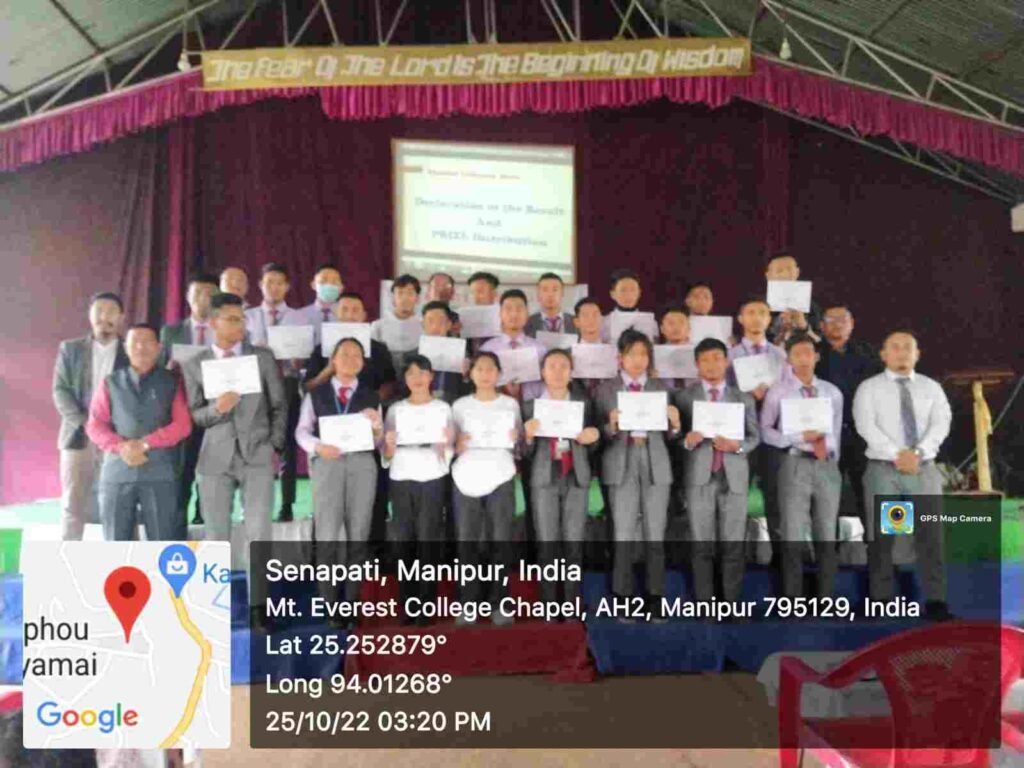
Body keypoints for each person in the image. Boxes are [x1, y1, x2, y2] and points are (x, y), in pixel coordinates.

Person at [181, 293, 286, 629]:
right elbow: (195, 414)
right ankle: (216, 608)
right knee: (216, 535)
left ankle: (259, 607)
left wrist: (274, 445)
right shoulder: (195, 363)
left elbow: (280, 404)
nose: (240, 324)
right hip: (215, 456)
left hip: (257, 454)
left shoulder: (262, 357)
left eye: (242, 318)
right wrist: (217, 409)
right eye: (232, 319)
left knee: (259, 532)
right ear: (213, 322)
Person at [853, 330, 952, 620]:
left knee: (930, 535)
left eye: (908, 347)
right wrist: (899, 454)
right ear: (884, 354)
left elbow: (941, 424)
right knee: (885, 536)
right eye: (895, 347)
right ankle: (882, 599)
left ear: (917, 354)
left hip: (924, 469)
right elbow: (865, 426)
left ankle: (936, 600)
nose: (902, 352)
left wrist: (918, 453)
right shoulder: (869, 388)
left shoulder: (931, 388)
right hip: (885, 471)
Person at [295, 337, 383, 628]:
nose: (350, 359)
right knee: (328, 535)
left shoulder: (371, 396)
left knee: (359, 535)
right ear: (333, 360)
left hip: (362, 465)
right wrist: (317, 447)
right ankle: (331, 605)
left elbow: (379, 442)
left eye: (357, 355)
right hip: (328, 463)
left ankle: (352, 603)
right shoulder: (316, 394)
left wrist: (377, 427)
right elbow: (301, 431)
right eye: (344, 354)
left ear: (363, 363)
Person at [595, 330, 682, 620]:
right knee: (623, 534)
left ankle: (655, 597)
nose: (638, 360)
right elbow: (596, 435)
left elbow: (672, 436)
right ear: (620, 357)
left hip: (655, 461)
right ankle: (623, 597)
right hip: (621, 460)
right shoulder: (605, 390)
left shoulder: (661, 387)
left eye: (644, 354)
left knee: (655, 533)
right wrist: (610, 426)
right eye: (632, 353)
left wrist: (675, 425)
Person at [86, 323, 193, 541]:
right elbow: (95, 425)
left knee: (163, 542)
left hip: (160, 472)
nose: (141, 347)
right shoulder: (110, 382)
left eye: (147, 342)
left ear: (159, 348)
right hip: (117, 471)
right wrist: (121, 446)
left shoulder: (172, 382)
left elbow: (182, 425)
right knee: (116, 543)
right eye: (135, 342)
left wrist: (145, 444)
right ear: (125, 347)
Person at [676, 338, 760, 603]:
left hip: (734, 476)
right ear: (697, 364)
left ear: (726, 362)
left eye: (716, 358)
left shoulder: (743, 398)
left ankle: (731, 604)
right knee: (701, 544)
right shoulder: (684, 397)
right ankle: (705, 604)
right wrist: (686, 441)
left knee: (733, 544)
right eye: (705, 360)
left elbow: (754, 437)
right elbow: (673, 438)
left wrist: (737, 446)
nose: (711, 365)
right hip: (699, 477)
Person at [760, 333, 843, 598]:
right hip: (794, 462)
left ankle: (826, 598)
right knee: (792, 534)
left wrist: (832, 461)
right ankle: (792, 598)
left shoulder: (832, 392)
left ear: (817, 356)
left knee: (827, 534)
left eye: (809, 353)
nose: (804, 359)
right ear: (789, 359)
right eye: (798, 354)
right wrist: (795, 437)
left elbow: (836, 432)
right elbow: (765, 430)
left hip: (826, 465)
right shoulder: (778, 391)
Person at [522, 349, 600, 610]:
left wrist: (593, 437)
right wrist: (528, 437)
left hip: (576, 475)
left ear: (571, 373)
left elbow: (595, 443)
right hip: (544, 477)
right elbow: (524, 453)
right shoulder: (530, 407)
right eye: (552, 366)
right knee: (547, 543)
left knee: (574, 542)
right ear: (542, 373)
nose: (557, 372)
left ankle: (570, 602)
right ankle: (548, 603)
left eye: (563, 366)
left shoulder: (584, 404)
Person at [381, 355, 455, 624]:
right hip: (401, 475)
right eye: (411, 373)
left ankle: (426, 606)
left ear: (431, 376)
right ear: (405, 378)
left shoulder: (443, 408)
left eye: (422, 372)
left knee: (428, 542)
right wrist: (389, 445)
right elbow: (386, 451)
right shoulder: (395, 409)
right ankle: (408, 605)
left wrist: (447, 445)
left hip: (433, 475)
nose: (417, 378)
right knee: (404, 544)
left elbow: (450, 447)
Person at [451, 352, 522, 624]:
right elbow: (449, 445)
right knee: (467, 543)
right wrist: (456, 444)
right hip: (465, 475)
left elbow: (520, 446)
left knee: (501, 542)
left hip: (501, 474)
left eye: (490, 369)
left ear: (499, 374)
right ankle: (467, 603)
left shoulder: (510, 404)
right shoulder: (459, 406)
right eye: (479, 368)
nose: (485, 374)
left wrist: (517, 439)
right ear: (470, 374)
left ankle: (499, 603)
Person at [52, 291, 129, 540]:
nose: (105, 317)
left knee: (119, 504)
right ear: (90, 315)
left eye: (111, 312)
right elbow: (60, 391)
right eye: (99, 311)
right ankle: (68, 556)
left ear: (121, 317)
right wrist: (87, 424)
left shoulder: (131, 351)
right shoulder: (71, 349)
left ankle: (119, 558)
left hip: (118, 439)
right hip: (78, 437)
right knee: (73, 504)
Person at [245, 262, 306, 522]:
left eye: (280, 282)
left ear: (287, 287)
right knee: (254, 445)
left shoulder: (299, 317)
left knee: (287, 447)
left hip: (288, 384)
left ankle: (287, 505)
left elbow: (305, 357)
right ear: (261, 285)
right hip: (255, 387)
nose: (274, 287)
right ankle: (252, 507)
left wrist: (298, 360)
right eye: (269, 282)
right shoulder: (247, 316)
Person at [730, 297, 788, 560]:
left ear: (769, 319)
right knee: (737, 496)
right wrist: (746, 394)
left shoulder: (780, 355)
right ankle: (735, 558)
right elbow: (721, 393)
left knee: (776, 497)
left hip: (773, 436)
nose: (756, 318)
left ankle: (782, 560)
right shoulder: (729, 355)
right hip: (740, 434)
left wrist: (772, 394)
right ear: (741, 319)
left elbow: (790, 393)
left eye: (762, 313)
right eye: (750, 312)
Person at [161, 272, 219, 525]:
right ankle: (177, 517)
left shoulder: (226, 330)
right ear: (188, 297)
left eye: (210, 294)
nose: (203, 299)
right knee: (182, 467)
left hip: (216, 408)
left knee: (212, 467)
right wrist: (169, 368)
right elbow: (158, 370)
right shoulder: (171, 332)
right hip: (181, 408)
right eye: (198, 293)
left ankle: (204, 515)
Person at [815, 304, 882, 522]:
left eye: (843, 319)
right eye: (831, 320)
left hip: (864, 434)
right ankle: (827, 544)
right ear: (821, 326)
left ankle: (886, 541)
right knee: (825, 499)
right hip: (825, 435)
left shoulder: (869, 353)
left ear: (852, 324)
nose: (837, 324)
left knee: (873, 494)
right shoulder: (813, 353)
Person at [303, 291, 397, 401]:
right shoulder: (321, 349)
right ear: (336, 313)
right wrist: (327, 371)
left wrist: (370, 401)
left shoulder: (379, 349)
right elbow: (307, 387)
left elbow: (391, 385)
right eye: (344, 309)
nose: (349, 315)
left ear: (364, 315)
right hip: (328, 408)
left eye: (355, 310)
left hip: (368, 408)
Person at [481, 289, 546, 402]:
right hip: (496, 405)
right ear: (500, 313)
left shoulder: (540, 349)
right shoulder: (487, 349)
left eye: (519, 309)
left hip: (533, 405)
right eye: (508, 309)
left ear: (527, 313)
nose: (514, 314)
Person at [408, 300, 470, 404]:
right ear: (423, 324)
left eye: (441, 321)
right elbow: (403, 390)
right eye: (430, 321)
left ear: (449, 324)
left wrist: (466, 377)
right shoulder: (412, 356)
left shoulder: (462, 354)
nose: (435, 326)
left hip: (453, 406)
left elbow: (470, 391)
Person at [765, 253, 822, 346]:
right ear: (768, 275)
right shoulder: (759, 306)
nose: (785, 275)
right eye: (779, 271)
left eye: (789, 270)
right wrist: (779, 326)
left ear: (797, 272)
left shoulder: (812, 305)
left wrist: (803, 325)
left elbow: (819, 341)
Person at [372, 274, 423, 373]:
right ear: (393, 298)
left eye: (410, 293)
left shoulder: (424, 326)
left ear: (417, 298)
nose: (405, 298)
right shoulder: (378, 327)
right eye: (400, 293)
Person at [299, 262, 344, 340]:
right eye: (323, 281)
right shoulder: (300, 315)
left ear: (341, 288)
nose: (329, 285)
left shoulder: (348, 316)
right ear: (313, 285)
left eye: (334, 282)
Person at [601, 268, 645, 343]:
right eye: (623, 290)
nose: (628, 295)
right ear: (612, 294)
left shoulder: (650, 322)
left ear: (639, 293)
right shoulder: (604, 322)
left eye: (633, 290)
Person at [525, 272, 576, 337]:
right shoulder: (527, 322)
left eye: (555, 290)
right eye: (545, 290)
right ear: (538, 294)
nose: (550, 294)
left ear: (562, 292)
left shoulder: (576, 322)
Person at [656, 305, 694, 391]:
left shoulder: (700, 354)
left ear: (689, 328)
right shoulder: (653, 356)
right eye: (671, 323)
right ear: (662, 329)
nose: (676, 327)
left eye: (681, 322)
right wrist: (652, 380)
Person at [466, 271, 500, 354]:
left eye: (480, 292)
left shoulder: (505, 316)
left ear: (494, 293)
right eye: (472, 293)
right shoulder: (464, 318)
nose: (475, 297)